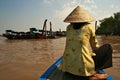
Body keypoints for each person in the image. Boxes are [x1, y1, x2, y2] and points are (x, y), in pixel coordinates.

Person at [60, 6, 113, 80]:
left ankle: (83, 70)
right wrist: (93, 54)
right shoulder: (89, 26)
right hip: (83, 67)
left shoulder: (68, 28)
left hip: (66, 67)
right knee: (108, 47)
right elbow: (94, 46)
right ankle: (91, 74)